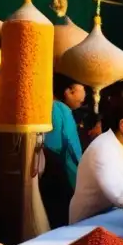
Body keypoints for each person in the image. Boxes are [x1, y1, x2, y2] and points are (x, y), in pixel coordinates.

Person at [39, 74, 86, 229]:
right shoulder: (61, 109)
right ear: (68, 91)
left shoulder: (49, 106)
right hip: (59, 166)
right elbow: (70, 144)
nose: (84, 96)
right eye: (81, 90)